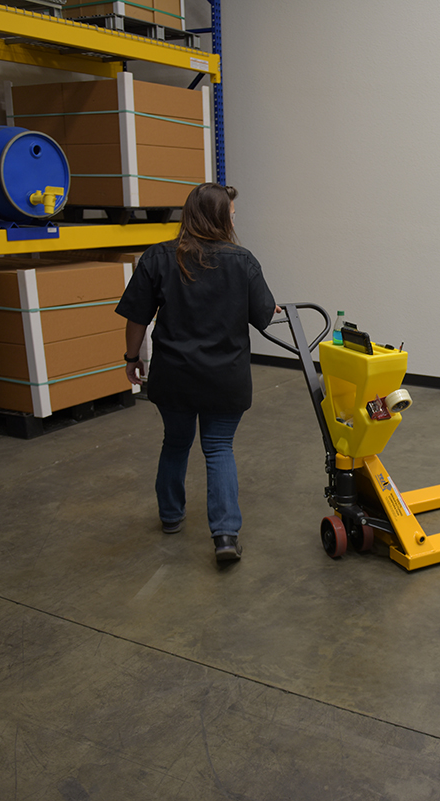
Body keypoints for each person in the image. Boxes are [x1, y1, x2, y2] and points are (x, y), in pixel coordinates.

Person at [115, 183, 279, 565]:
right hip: (225, 377)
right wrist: (267, 307)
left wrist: (131, 357)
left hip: (174, 375)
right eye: (231, 214)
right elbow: (263, 316)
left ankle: (171, 516)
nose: (234, 220)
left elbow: (137, 317)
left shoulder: (157, 257)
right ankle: (225, 536)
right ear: (220, 218)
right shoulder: (243, 261)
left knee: (175, 442)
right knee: (219, 447)